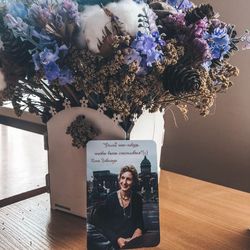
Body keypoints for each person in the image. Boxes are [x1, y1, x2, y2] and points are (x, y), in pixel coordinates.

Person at [100, 165, 144, 249]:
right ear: (119, 179)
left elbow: (140, 222)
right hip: (115, 242)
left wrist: (138, 232)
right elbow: (105, 226)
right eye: (122, 178)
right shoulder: (110, 198)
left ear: (134, 181)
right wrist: (118, 239)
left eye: (128, 179)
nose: (124, 182)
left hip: (133, 241)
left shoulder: (137, 198)